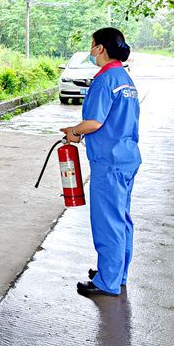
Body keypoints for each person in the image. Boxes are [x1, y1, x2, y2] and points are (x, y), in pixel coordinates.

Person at [60, 27, 140, 298]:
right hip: (126, 157)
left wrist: (74, 131)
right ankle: (117, 273)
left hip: (109, 162)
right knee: (122, 219)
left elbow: (94, 122)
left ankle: (107, 281)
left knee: (108, 221)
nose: (91, 50)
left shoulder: (105, 80)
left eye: (93, 45)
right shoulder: (124, 79)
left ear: (101, 48)